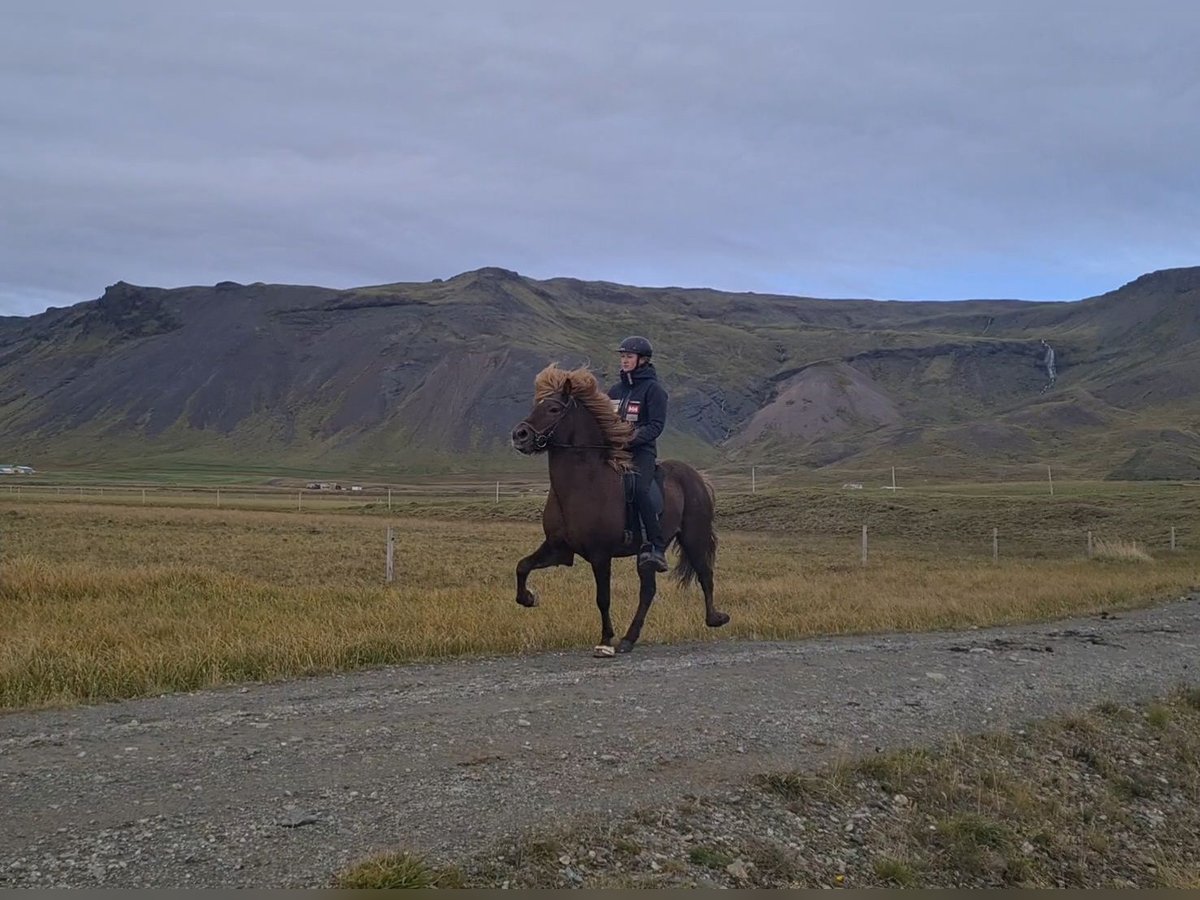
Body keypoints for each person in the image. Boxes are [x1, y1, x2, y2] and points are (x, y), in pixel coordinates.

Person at [608, 335, 669, 573]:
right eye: (622, 356)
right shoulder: (615, 390)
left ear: (642, 360)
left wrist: (632, 438)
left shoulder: (654, 390)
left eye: (629, 356)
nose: (624, 361)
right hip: (615, 451)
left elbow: (656, 426)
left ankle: (656, 546)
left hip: (641, 452)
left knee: (640, 489)